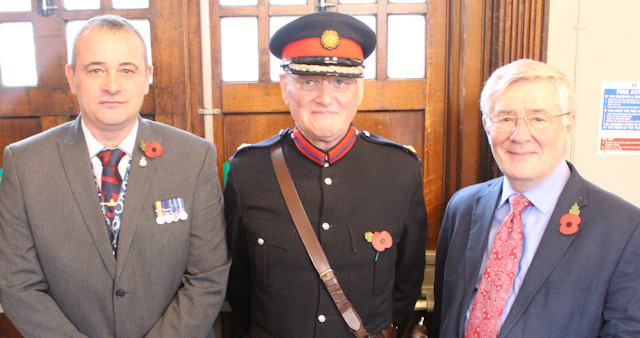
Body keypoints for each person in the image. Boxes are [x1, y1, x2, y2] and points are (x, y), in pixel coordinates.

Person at [0, 15, 230, 337]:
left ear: (147, 77)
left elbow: (208, 275)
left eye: (127, 69)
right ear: (72, 77)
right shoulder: (24, 163)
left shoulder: (194, 157)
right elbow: (17, 284)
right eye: (95, 69)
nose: (111, 85)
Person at [224, 11, 428, 337]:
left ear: (359, 90)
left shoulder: (400, 171)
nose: (325, 97)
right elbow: (239, 284)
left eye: (340, 82)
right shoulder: (247, 171)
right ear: (284, 88)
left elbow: (406, 283)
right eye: (308, 81)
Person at [433, 59, 640, 337]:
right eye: (505, 118)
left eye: (538, 118)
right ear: (486, 125)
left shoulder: (623, 228)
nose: (520, 135)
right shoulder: (463, 207)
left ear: (568, 126)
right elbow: (445, 313)